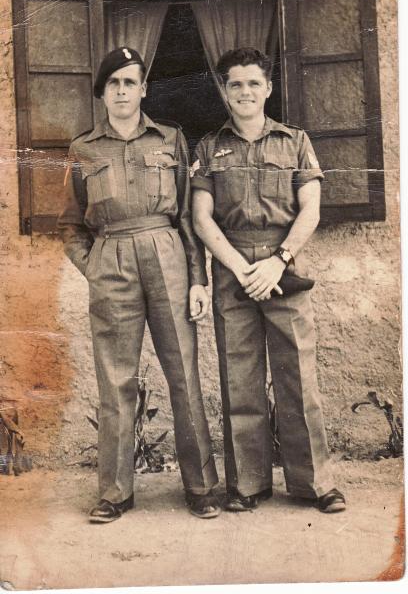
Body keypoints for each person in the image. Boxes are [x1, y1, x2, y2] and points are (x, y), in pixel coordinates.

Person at [58, 47, 219, 523]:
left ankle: (201, 486)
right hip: (112, 260)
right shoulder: (83, 148)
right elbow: (70, 225)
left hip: (167, 252)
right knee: (115, 381)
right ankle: (114, 492)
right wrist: (97, 268)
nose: (123, 91)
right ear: (103, 93)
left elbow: (188, 216)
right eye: (115, 84)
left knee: (184, 375)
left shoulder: (171, 138)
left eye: (131, 82)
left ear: (144, 89)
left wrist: (197, 278)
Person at [191, 47, 345, 514]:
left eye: (253, 83)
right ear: (224, 90)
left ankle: (314, 484)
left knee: (298, 375)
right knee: (240, 378)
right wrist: (240, 268)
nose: (244, 92)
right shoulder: (207, 147)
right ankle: (248, 485)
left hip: (285, 269)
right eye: (235, 84)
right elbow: (201, 219)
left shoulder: (295, 141)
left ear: (268, 89)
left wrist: (278, 260)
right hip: (232, 270)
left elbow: (311, 209)